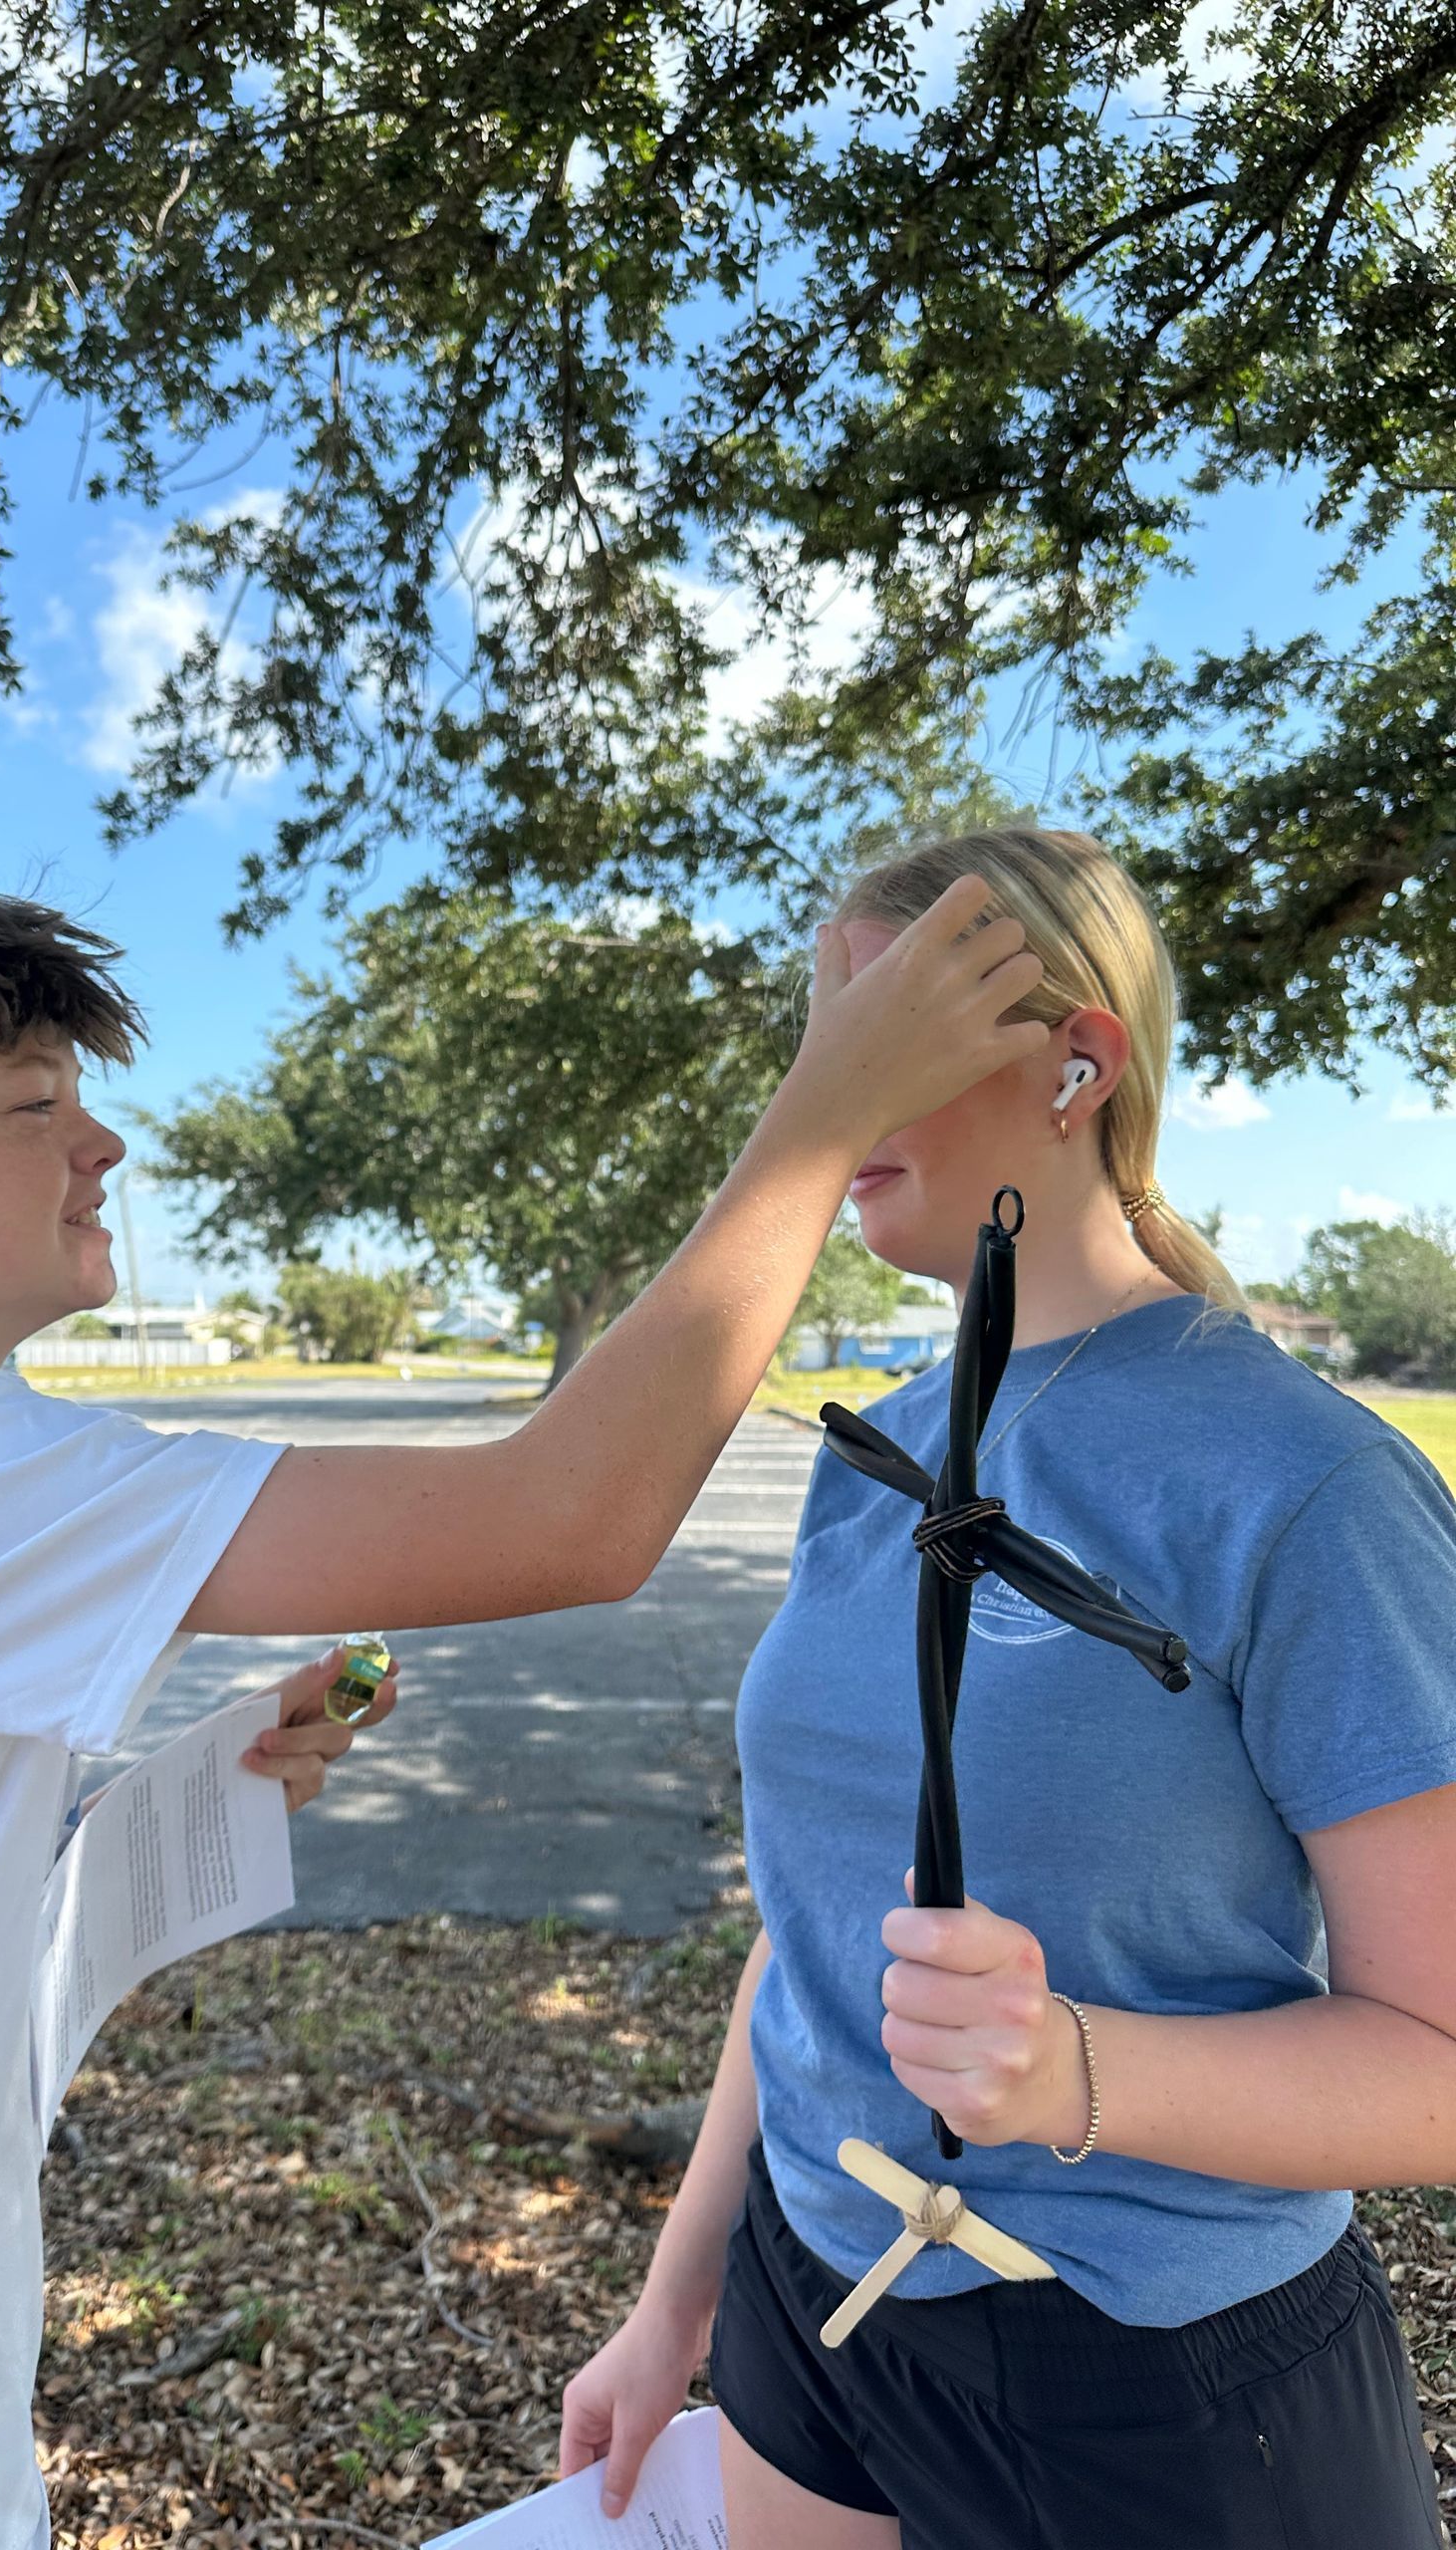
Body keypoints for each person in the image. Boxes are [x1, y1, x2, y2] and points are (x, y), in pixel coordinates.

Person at [0, 866, 1042, 2549]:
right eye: (30, 1104)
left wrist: (164, 1816)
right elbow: (570, 1517)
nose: (101, 1144)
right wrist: (828, 1107)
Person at [559, 829, 1456, 2550]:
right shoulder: (875, 1456)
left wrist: (1074, 2071)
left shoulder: (1309, 1485)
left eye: (878, 1029)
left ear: (1076, 1064)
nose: (827, 1089)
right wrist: (679, 2298)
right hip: (814, 2298)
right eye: (816, 1042)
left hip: (1159, 2376)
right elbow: (817, 1931)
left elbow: (1438, 2060)